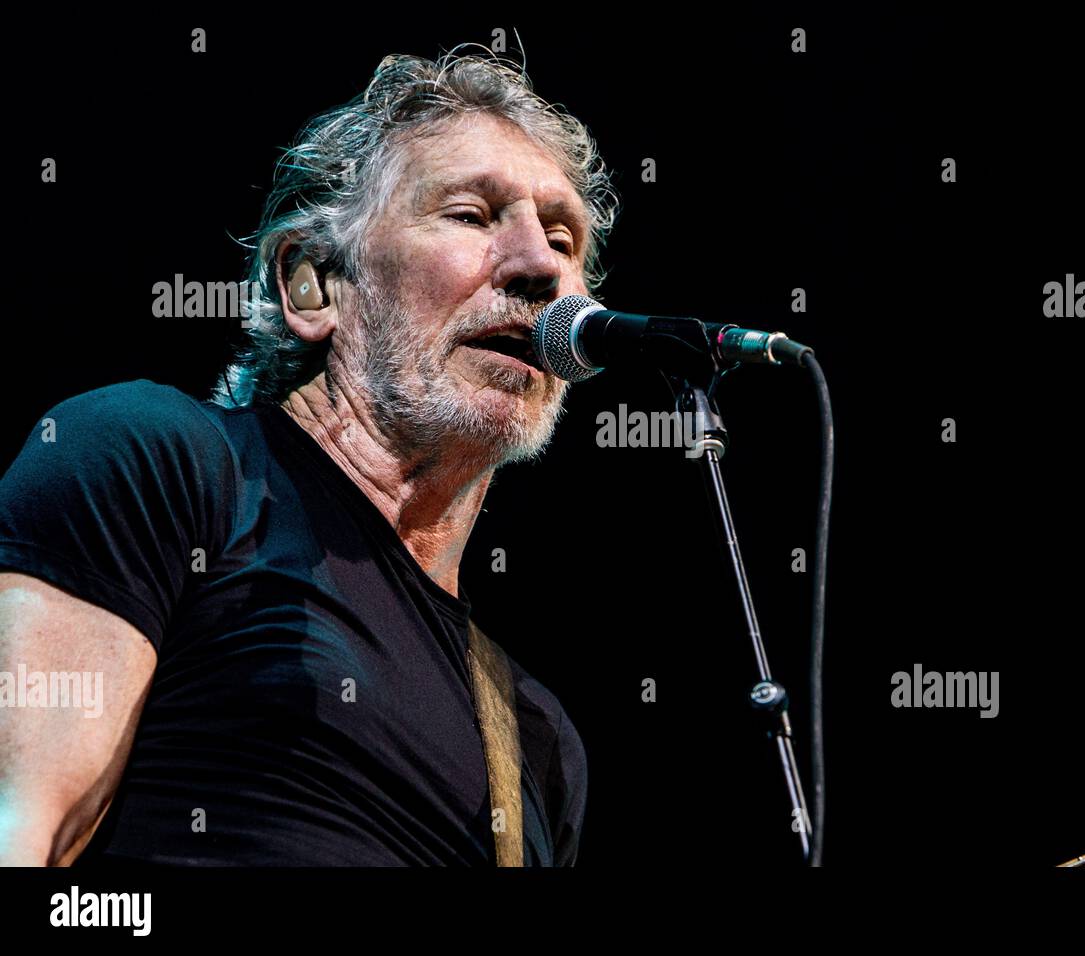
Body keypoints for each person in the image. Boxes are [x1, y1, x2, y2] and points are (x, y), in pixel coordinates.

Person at [0, 47, 620, 866]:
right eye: (471, 215)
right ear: (314, 287)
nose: (542, 265)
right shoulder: (159, 460)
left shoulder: (534, 737)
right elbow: (22, 834)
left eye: (563, 237)